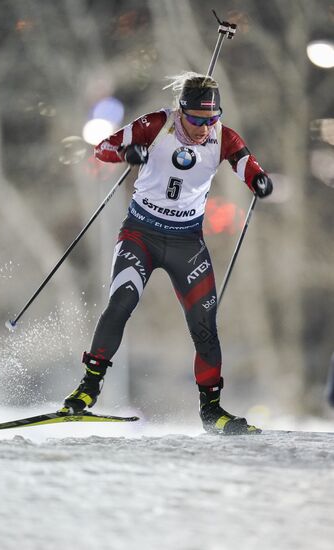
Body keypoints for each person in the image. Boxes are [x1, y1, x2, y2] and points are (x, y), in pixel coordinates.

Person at [59, 72, 273, 434]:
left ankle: (212, 412)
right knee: (121, 304)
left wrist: (259, 181)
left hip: (186, 242)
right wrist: (129, 153)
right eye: (196, 120)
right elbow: (103, 148)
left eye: (212, 119)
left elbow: (246, 164)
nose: (204, 128)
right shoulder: (156, 124)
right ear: (181, 111)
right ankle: (86, 391)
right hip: (140, 234)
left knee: (205, 328)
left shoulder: (223, 136)